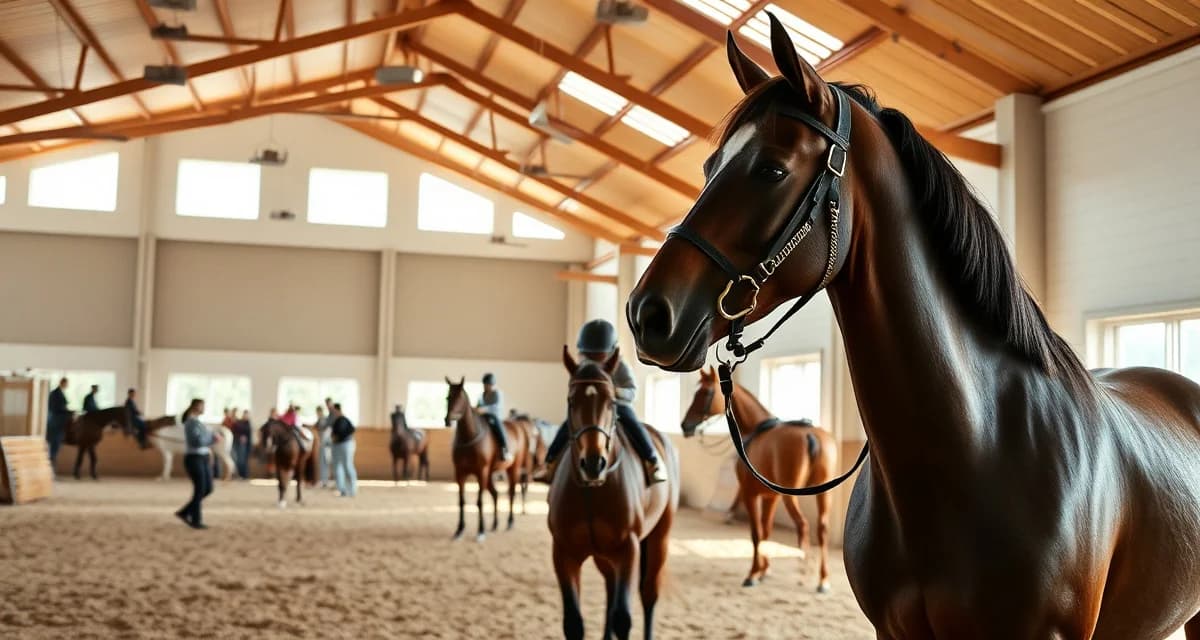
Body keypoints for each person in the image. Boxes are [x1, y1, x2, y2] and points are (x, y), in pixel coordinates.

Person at [542, 319, 667, 485]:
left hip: (617, 406)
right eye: (590, 355)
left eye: (598, 355)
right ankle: (549, 463)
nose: (594, 359)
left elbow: (632, 391)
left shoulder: (621, 366)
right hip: (591, 407)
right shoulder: (584, 366)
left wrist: (614, 392)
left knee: (633, 424)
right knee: (567, 425)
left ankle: (652, 460)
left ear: (610, 352)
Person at [176, 398, 218, 530]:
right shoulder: (191, 422)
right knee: (200, 489)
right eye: (202, 406)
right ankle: (196, 520)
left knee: (208, 488)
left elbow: (203, 439)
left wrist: (210, 440)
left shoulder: (198, 422)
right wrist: (212, 438)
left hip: (202, 457)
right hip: (194, 458)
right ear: (196, 407)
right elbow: (197, 441)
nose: (204, 408)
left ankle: (184, 512)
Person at [476, 373, 512, 461]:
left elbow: (496, 406)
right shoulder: (482, 395)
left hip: (495, 416)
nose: (486, 386)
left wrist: (484, 409)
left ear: (492, 385)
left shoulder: (497, 393)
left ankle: (504, 448)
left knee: (497, 426)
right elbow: (479, 405)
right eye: (485, 384)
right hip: (484, 416)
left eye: (488, 385)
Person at [329, 403, 357, 497]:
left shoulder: (344, 419)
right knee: (337, 467)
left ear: (337, 410)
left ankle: (352, 490)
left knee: (347, 466)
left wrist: (340, 437)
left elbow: (352, 430)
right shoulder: (336, 420)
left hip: (345, 444)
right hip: (336, 445)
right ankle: (341, 489)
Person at [46, 377, 72, 465]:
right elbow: (56, 408)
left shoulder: (60, 392)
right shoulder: (55, 393)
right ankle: (51, 461)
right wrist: (68, 411)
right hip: (56, 420)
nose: (67, 385)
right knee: (55, 441)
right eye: (66, 383)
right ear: (62, 383)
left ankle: (53, 459)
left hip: (59, 417)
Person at [315, 404, 332, 489]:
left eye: (318, 412)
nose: (318, 413)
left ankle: (325, 480)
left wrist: (323, 441)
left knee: (325, 463)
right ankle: (323, 480)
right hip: (322, 444)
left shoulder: (325, 420)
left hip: (326, 445)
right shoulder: (319, 420)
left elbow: (327, 432)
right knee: (322, 463)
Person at [232, 410, 252, 480]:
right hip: (237, 443)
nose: (246, 416)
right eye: (245, 414)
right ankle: (240, 475)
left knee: (242, 461)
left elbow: (248, 435)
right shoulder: (238, 422)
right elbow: (235, 431)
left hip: (244, 445)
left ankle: (244, 475)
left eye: (247, 415)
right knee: (238, 460)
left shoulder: (248, 423)